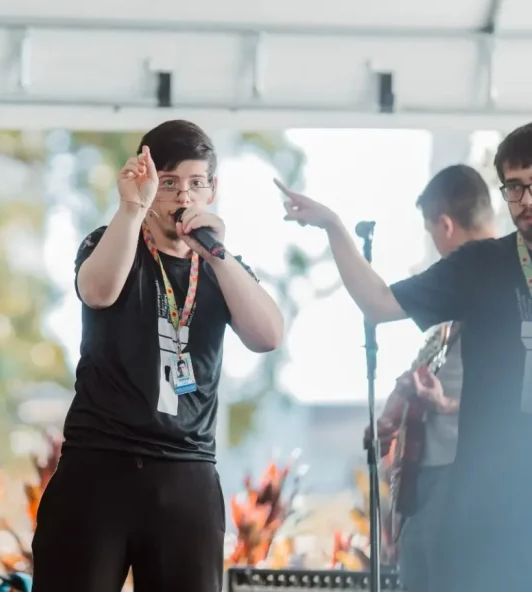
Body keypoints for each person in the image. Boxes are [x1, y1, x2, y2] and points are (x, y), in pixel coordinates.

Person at [276, 126, 532, 592]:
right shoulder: (481, 264)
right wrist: (334, 226)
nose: (526, 200)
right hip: (488, 511)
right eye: (514, 187)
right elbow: (378, 303)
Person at [32, 120, 284, 592]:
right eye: (168, 183)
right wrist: (132, 209)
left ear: (213, 189)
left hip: (185, 473)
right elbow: (98, 291)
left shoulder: (221, 266)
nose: (182, 197)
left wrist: (218, 256)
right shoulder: (111, 240)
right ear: (147, 182)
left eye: (195, 183)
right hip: (99, 465)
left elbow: (268, 335)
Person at [371, 165, 496, 591]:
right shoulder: (452, 307)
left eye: (431, 232)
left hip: (470, 483)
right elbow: (430, 367)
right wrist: (400, 401)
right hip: (425, 482)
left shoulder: (504, 288)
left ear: (445, 225)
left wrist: (444, 404)